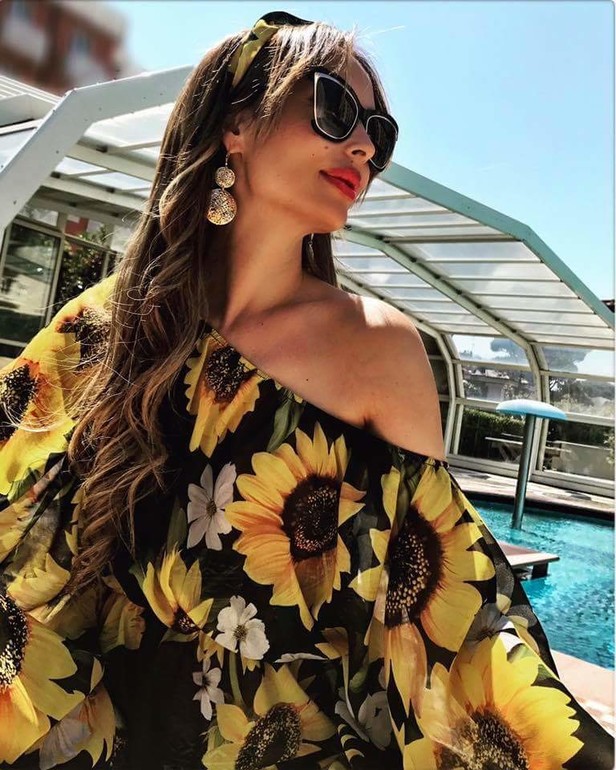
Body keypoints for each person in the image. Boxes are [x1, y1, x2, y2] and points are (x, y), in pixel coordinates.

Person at [0, 10, 613, 770]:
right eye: (334, 107)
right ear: (236, 125)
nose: (364, 147)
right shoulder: (108, 324)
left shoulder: (377, 350)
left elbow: (445, 617)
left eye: (380, 135)